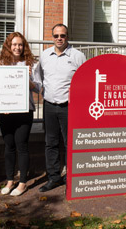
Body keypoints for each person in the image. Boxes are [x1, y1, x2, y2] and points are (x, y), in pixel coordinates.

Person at [35, 23, 86, 192]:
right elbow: (39, 78)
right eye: (56, 36)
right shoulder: (45, 55)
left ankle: (72, 178)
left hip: (69, 107)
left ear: (67, 37)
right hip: (49, 106)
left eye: (62, 36)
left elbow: (85, 82)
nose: (59, 39)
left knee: (70, 144)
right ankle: (54, 178)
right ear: (52, 37)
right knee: (51, 143)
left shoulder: (78, 56)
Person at [0, 32, 40, 196]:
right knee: (9, 146)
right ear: (9, 46)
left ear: (24, 46)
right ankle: (9, 181)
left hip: (24, 110)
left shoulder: (31, 64)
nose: (17, 47)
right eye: (14, 44)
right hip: (6, 111)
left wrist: (27, 78)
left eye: (20, 44)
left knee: (21, 145)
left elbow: (37, 88)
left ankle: (22, 183)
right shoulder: (1, 63)